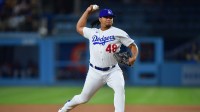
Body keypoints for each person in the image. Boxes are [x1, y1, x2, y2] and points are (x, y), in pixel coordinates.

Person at [58, 5, 138, 112]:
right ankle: (64, 109)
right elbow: (79, 27)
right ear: (100, 19)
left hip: (113, 71)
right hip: (94, 72)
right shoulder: (93, 32)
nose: (109, 18)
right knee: (83, 98)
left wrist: (134, 57)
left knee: (120, 90)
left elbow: (133, 46)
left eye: (111, 17)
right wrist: (87, 11)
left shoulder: (119, 32)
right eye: (106, 17)